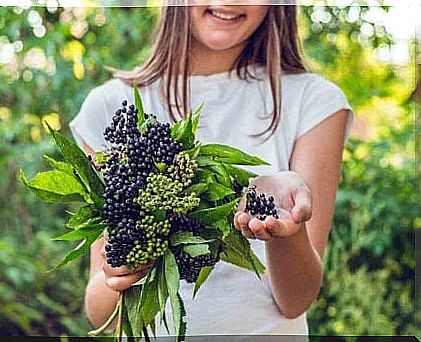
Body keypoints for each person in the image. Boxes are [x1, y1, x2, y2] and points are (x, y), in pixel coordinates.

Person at [69, 3, 353, 337]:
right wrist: (126, 269)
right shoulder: (111, 107)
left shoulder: (313, 102)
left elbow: (296, 299)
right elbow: (101, 313)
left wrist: (283, 229)